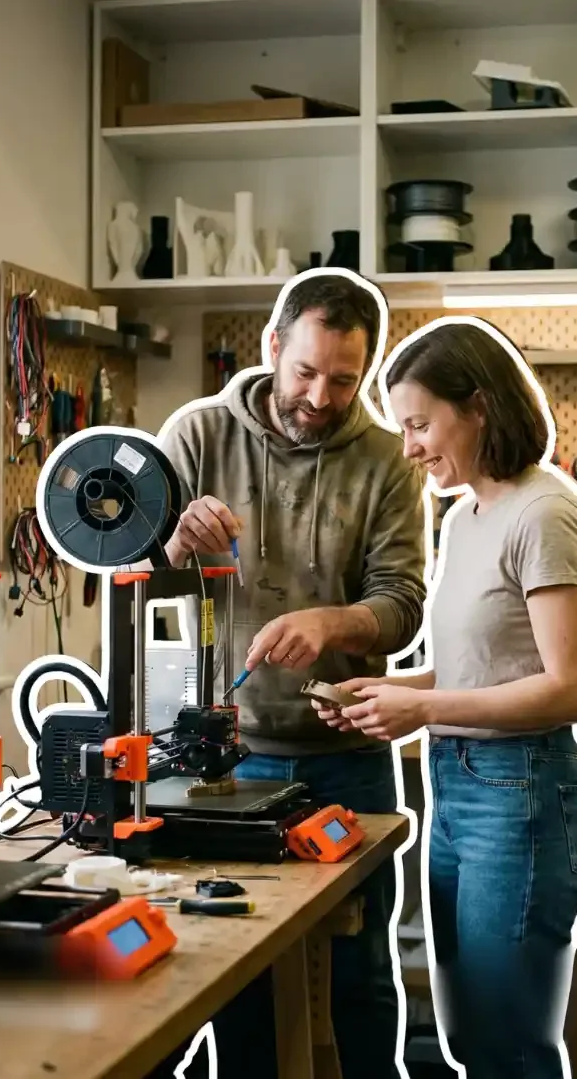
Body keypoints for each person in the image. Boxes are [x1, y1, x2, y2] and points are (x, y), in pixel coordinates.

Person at [314, 319, 577, 1079]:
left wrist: (422, 712)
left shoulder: (544, 513)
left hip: (524, 798)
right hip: (464, 791)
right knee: (473, 1041)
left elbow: (573, 688)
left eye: (419, 424)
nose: (408, 446)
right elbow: (475, 670)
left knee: (508, 1049)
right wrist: (386, 691)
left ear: (477, 407)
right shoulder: (468, 514)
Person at [157, 271, 427, 1079]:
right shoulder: (198, 436)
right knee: (236, 971)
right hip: (227, 763)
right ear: (273, 347)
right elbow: (134, 576)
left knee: (359, 977)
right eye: (306, 371)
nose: (320, 395)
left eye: (345, 380)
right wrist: (173, 546)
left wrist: (332, 621)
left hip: (345, 756)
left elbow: (404, 603)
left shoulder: (387, 459)